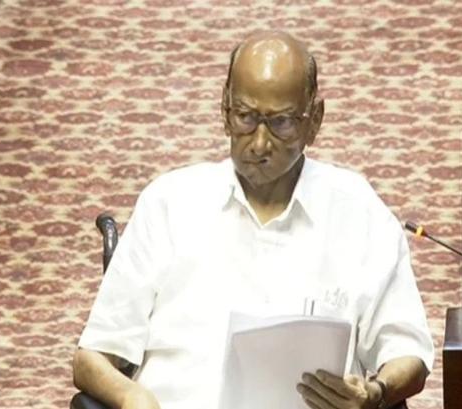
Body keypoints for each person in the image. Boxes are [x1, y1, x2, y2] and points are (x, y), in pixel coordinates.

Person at [72, 31, 434, 409]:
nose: (259, 143)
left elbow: (408, 352)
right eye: (245, 117)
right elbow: (91, 358)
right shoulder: (168, 204)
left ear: (315, 120)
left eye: (281, 122)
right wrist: (131, 397)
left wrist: (376, 393)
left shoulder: (359, 212)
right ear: (224, 110)